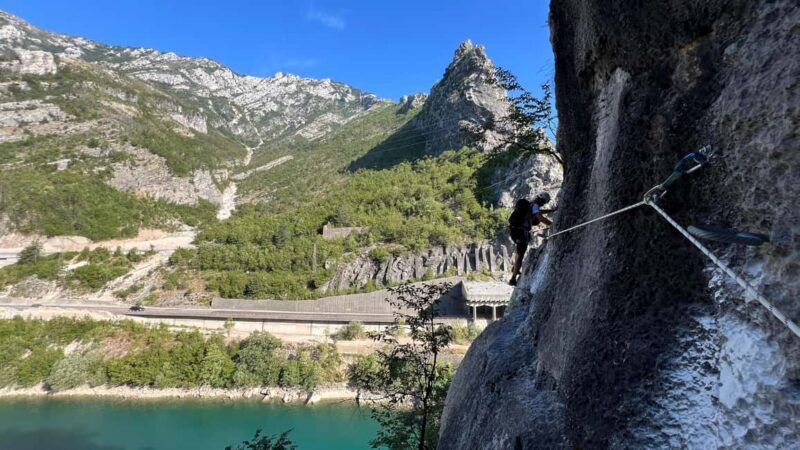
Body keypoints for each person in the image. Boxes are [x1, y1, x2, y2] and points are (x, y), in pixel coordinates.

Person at [508, 192, 554, 286]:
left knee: (519, 251)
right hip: (521, 233)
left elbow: (539, 212)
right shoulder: (535, 206)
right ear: (542, 201)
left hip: (515, 231)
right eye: (543, 203)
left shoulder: (530, 205)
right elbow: (540, 217)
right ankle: (513, 278)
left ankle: (515, 268)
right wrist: (552, 224)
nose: (543, 204)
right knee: (520, 255)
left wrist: (551, 210)